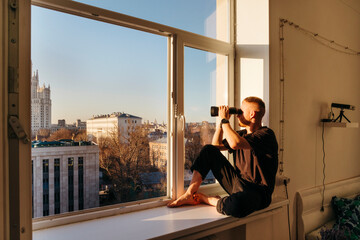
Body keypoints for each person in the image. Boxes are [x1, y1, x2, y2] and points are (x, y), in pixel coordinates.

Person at [167, 96, 278, 218]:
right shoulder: (240, 134)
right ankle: (190, 193)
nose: (237, 115)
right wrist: (221, 123)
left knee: (236, 206)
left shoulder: (266, 135)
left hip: (258, 193)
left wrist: (225, 120)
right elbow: (215, 146)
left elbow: (235, 144)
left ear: (252, 114)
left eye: (241, 112)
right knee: (208, 150)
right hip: (238, 184)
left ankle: (208, 199)